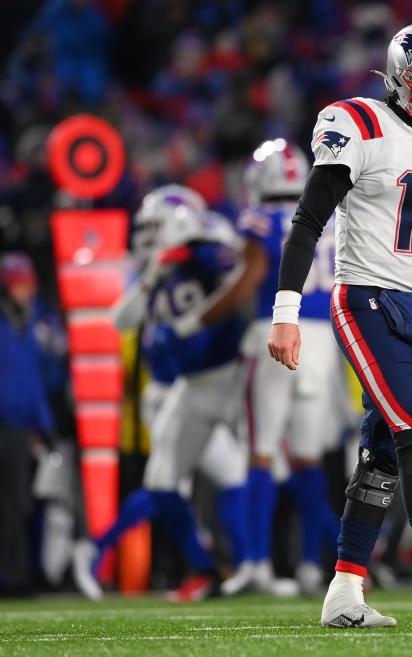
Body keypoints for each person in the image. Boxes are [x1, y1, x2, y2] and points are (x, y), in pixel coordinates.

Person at [267, 23, 412, 628]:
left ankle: (343, 594)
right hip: (365, 297)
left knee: (381, 452)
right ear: (401, 82)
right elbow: (308, 222)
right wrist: (287, 312)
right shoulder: (361, 125)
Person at [73, 188, 250, 602]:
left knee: (260, 471)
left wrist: (195, 259)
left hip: (236, 375)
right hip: (186, 386)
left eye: (155, 227)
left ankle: (257, 564)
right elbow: (121, 320)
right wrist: (153, 275)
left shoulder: (206, 250)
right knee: (166, 482)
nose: (148, 236)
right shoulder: (154, 272)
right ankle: (212, 570)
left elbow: (238, 272)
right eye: (145, 228)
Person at [200, 139, 347, 596]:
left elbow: (247, 284)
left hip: (276, 331)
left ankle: (258, 564)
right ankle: (309, 565)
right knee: (308, 459)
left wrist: (199, 320)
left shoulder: (259, 220)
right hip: (323, 341)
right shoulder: (332, 217)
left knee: (260, 453)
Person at [0, 253, 53, 595]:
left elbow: (34, 380)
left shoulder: (32, 324)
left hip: (20, 426)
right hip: (3, 421)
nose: (26, 291)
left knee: (19, 502)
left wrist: (44, 424)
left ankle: (18, 573)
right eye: (19, 285)